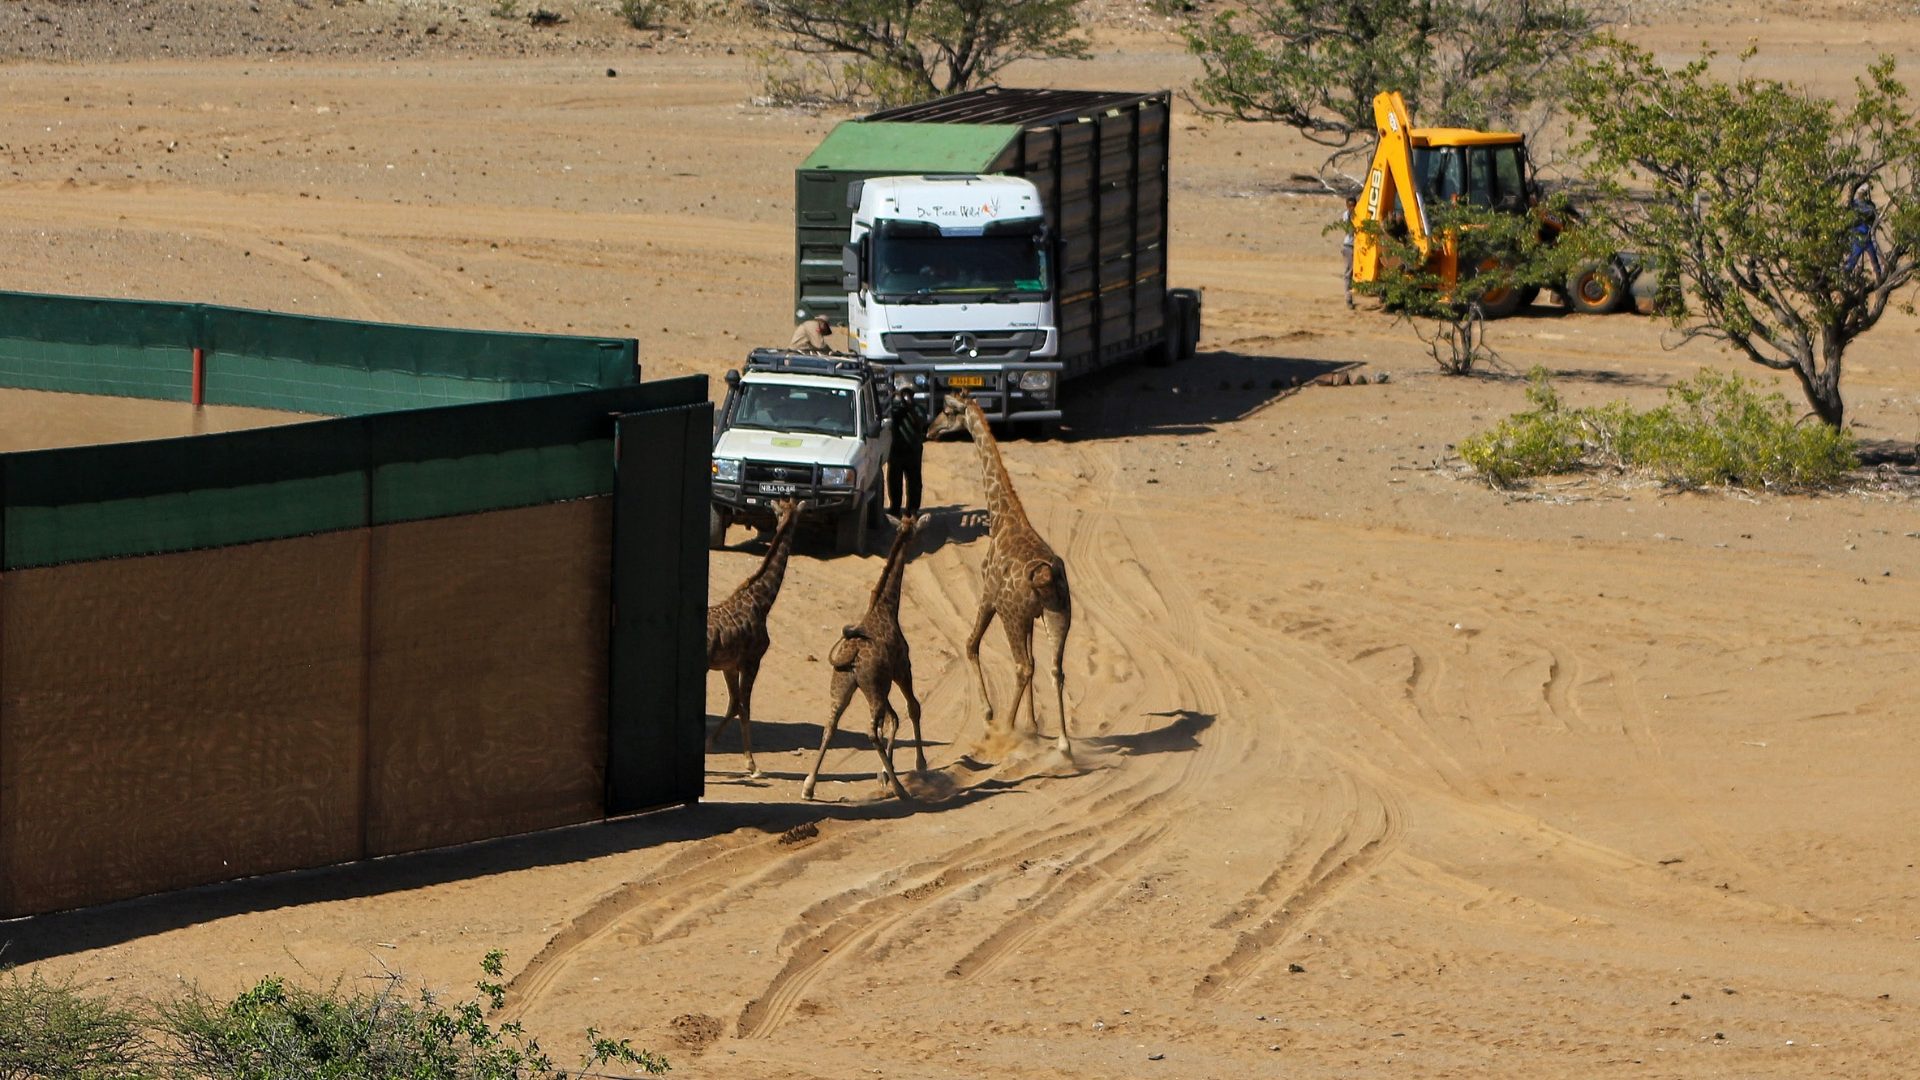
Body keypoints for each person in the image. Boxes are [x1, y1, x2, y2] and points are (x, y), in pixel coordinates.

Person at [887, 376, 928, 519]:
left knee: (914, 481)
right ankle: (895, 507)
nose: (906, 396)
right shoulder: (895, 409)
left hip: (913, 450)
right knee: (894, 481)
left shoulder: (918, 409)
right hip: (896, 450)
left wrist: (910, 409)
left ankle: (913, 508)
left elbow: (920, 423)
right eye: (904, 393)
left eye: (909, 393)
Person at [1340, 195, 1359, 309]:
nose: (1352, 208)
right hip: (1349, 246)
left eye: (1354, 206)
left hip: (1358, 246)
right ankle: (1348, 299)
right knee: (1348, 273)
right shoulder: (1347, 216)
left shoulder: (1358, 215)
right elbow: (1350, 229)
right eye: (1350, 206)